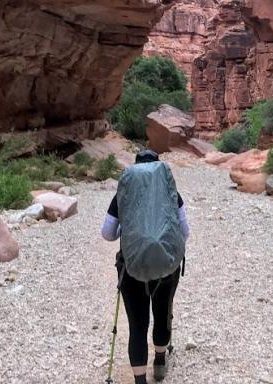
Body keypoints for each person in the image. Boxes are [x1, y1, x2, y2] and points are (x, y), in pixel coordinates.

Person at [102, 150, 190, 383]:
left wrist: (129, 230)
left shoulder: (124, 193)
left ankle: (140, 380)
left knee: (137, 325)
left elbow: (107, 233)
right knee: (163, 314)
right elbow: (185, 232)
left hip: (132, 267)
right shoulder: (172, 193)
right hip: (167, 266)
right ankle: (160, 362)